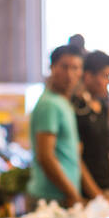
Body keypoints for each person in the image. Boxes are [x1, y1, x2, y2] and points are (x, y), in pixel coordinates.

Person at [28, 45, 92, 207]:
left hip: (63, 197)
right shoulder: (49, 104)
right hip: (50, 199)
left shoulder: (63, 102)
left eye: (75, 68)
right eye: (64, 67)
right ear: (52, 68)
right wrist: (73, 194)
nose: (69, 74)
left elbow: (72, 156)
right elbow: (46, 156)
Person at [73, 52, 109, 200]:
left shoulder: (103, 106)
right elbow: (77, 159)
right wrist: (96, 195)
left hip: (107, 189)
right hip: (87, 194)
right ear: (88, 76)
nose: (108, 82)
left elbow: (107, 153)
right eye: (105, 76)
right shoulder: (77, 109)